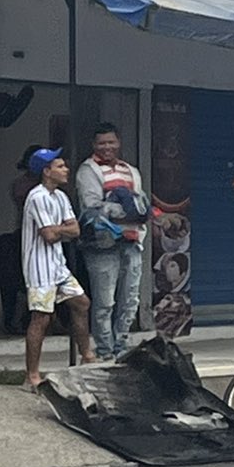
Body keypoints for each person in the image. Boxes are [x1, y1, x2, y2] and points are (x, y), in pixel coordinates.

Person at [21, 147, 95, 386]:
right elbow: (48, 235)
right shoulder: (37, 197)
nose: (66, 170)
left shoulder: (60, 197)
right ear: (46, 171)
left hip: (57, 264)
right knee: (41, 317)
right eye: (60, 166)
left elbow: (74, 230)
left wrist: (59, 230)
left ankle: (87, 356)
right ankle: (32, 374)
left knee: (81, 302)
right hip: (39, 265)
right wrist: (62, 230)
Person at [74, 122, 148, 361]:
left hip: (133, 242)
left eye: (111, 142)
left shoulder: (131, 170)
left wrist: (132, 209)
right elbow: (92, 206)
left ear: (119, 143)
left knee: (130, 299)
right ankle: (105, 351)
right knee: (105, 301)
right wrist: (128, 209)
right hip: (102, 245)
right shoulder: (88, 170)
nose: (107, 147)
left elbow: (143, 205)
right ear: (94, 145)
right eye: (102, 143)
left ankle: (122, 347)